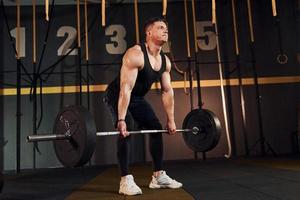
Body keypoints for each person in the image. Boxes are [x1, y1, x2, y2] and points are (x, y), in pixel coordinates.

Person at [104, 17, 182, 196]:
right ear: (149, 33)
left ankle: (158, 176)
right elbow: (125, 88)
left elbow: (167, 91)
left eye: (166, 28)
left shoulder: (165, 62)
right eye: (160, 27)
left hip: (136, 98)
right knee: (127, 128)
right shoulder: (135, 54)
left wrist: (171, 120)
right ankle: (125, 179)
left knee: (155, 127)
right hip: (116, 95)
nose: (165, 30)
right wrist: (121, 119)